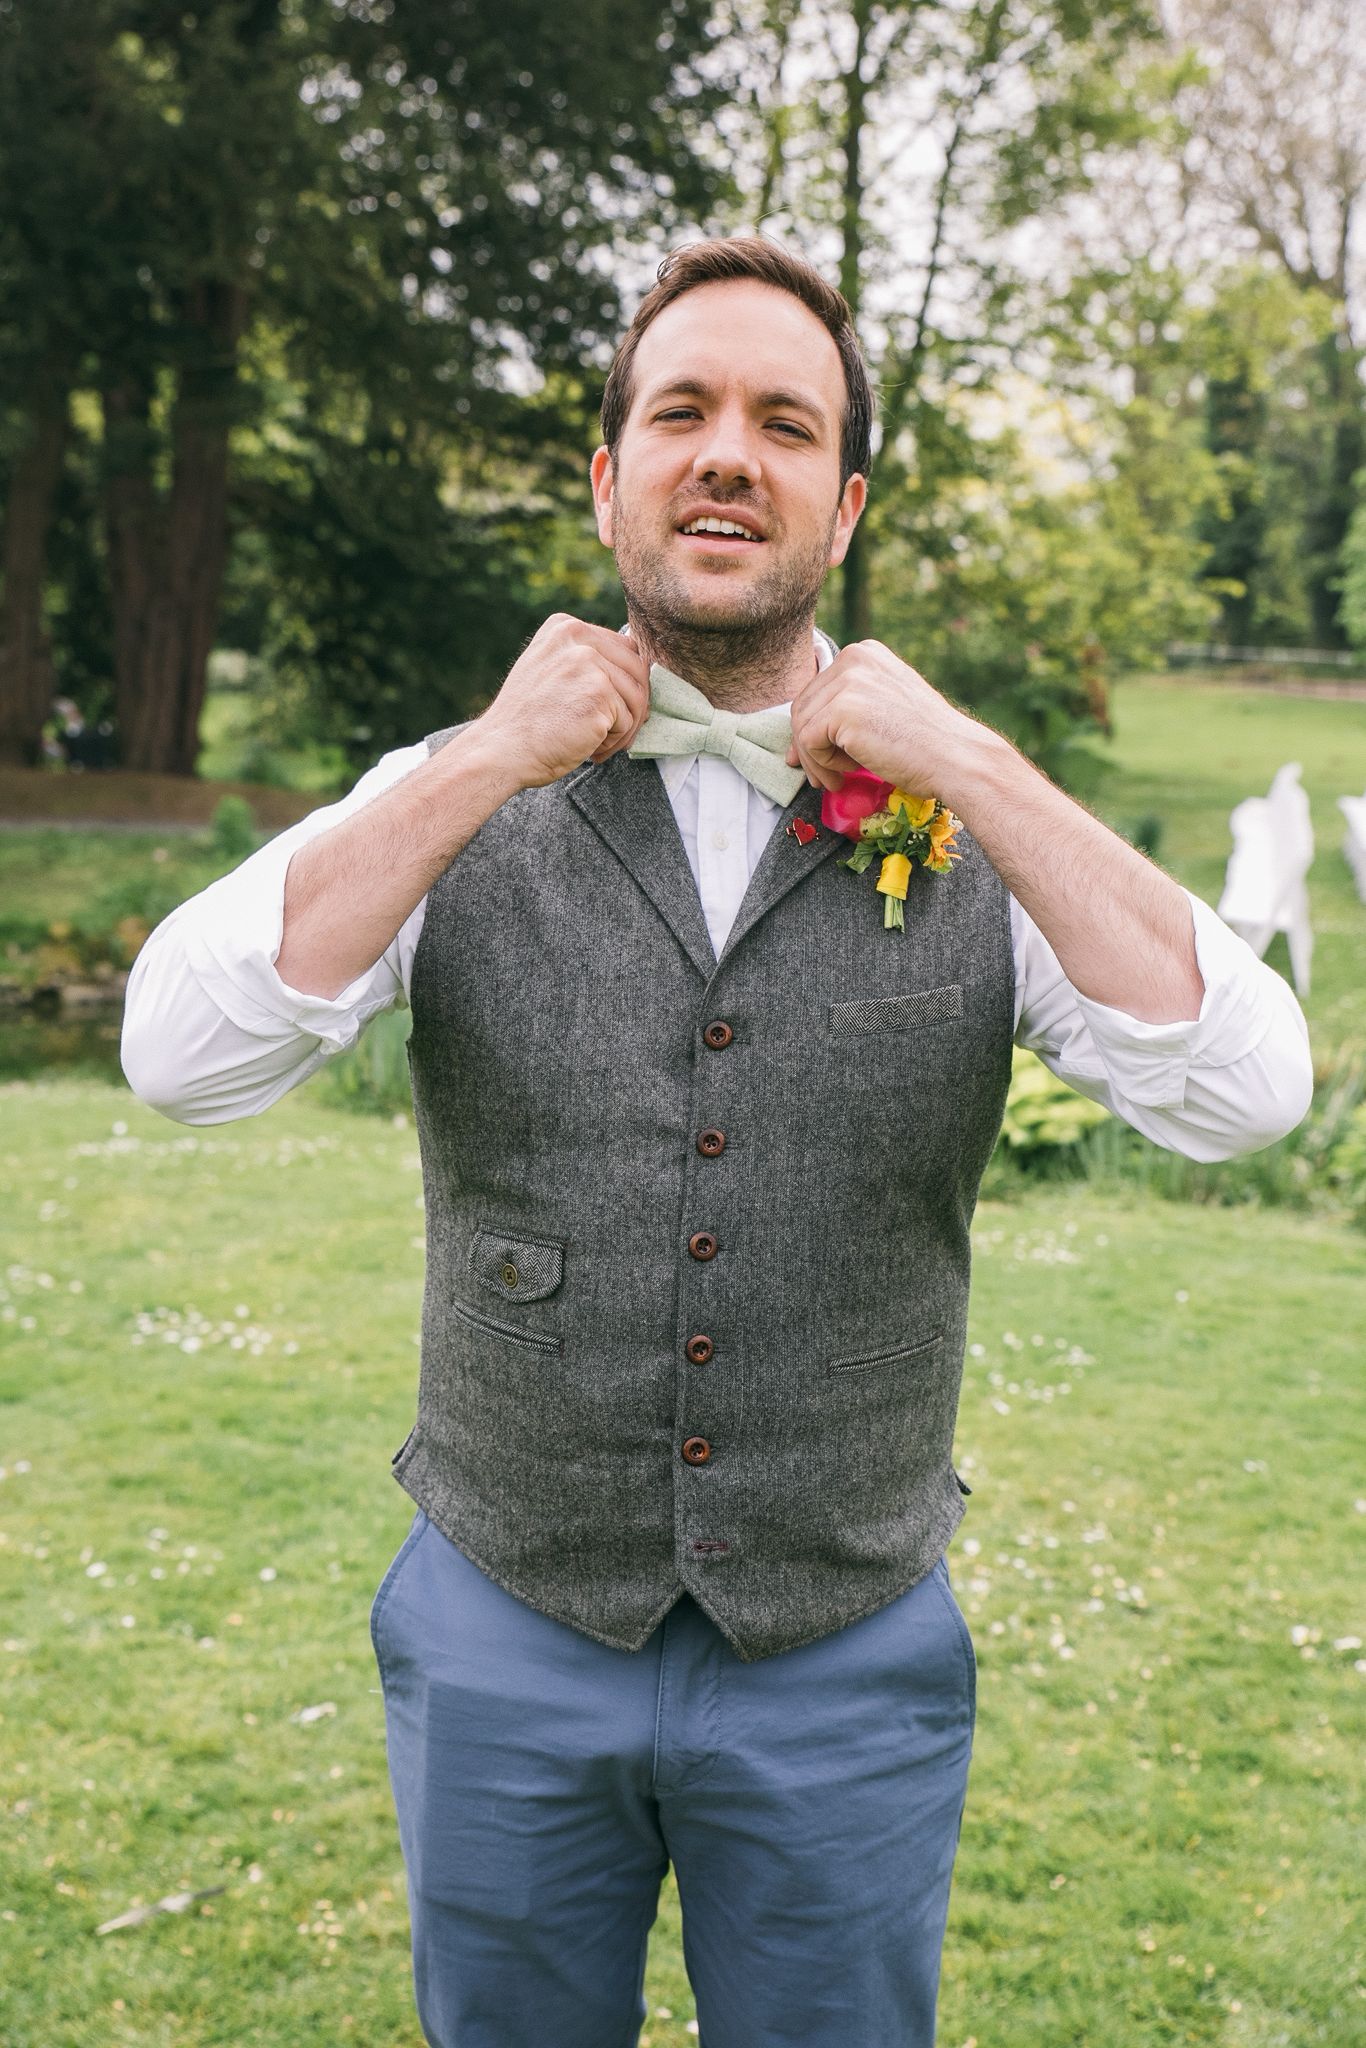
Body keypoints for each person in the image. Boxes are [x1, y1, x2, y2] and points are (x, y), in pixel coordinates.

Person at [122, 236, 1313, 2048]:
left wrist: (978, 766)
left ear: (844, 505)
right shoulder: (453, 792)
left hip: (844, 1646)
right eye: (681, 414)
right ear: (610, 483)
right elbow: (176, 1057)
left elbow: (1246, 1091)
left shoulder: (966, 821)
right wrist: (479, 759)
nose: (728, 455)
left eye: (782, 423)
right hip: (506, 1626)